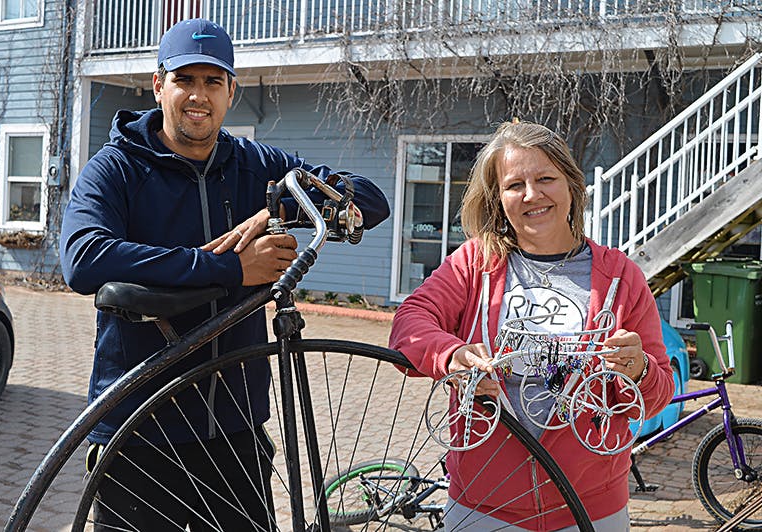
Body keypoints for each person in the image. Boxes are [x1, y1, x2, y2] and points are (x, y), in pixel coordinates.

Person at [59, 18, 389, 531]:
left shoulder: (257, 166)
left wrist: (287, 202)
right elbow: (83, 258)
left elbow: (371, 201)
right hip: (141, 426)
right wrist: (231, 268)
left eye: (213, 82)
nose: (198, 96)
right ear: (158, 85)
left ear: (231, 91)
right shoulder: (117, 167)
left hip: (234, 428)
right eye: (184, 80)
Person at [389, 121, 674, 531]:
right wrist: (451, 356)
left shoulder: (621, 277)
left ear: (572, 186)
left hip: (590, 508)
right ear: (497, 198)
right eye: (514, 184)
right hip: (481, 506)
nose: (531, 195)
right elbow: (410, 321)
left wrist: (639, 370)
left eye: (545, 179)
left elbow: (656, 396)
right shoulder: (475, 263)